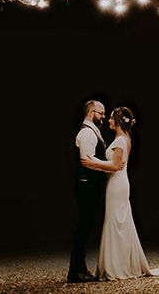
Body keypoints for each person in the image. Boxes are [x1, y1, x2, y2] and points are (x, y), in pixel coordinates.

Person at [81, 106, 159, 280]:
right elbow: (115, 166)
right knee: (118, 222)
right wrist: (99, 164)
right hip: (117, 183)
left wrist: (92, 162)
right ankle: (119, 263)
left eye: (110, 118)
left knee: (117, 222)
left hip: (117, 185)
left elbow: (115, 166)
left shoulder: (121, 140)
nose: (108, 120)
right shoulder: (122, 139)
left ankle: (118, 266)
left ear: (117, 121)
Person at [67, 99, 110, 284]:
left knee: (85, 226)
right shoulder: (87, 132)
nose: (104, 116)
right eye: (101, 113)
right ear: (91, 113)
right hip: (86, 185)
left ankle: (80, 268)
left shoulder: (92, 131)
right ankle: (75, 271)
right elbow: (87, 161)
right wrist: (110, 167)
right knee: (82, 227)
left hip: (90, 185)